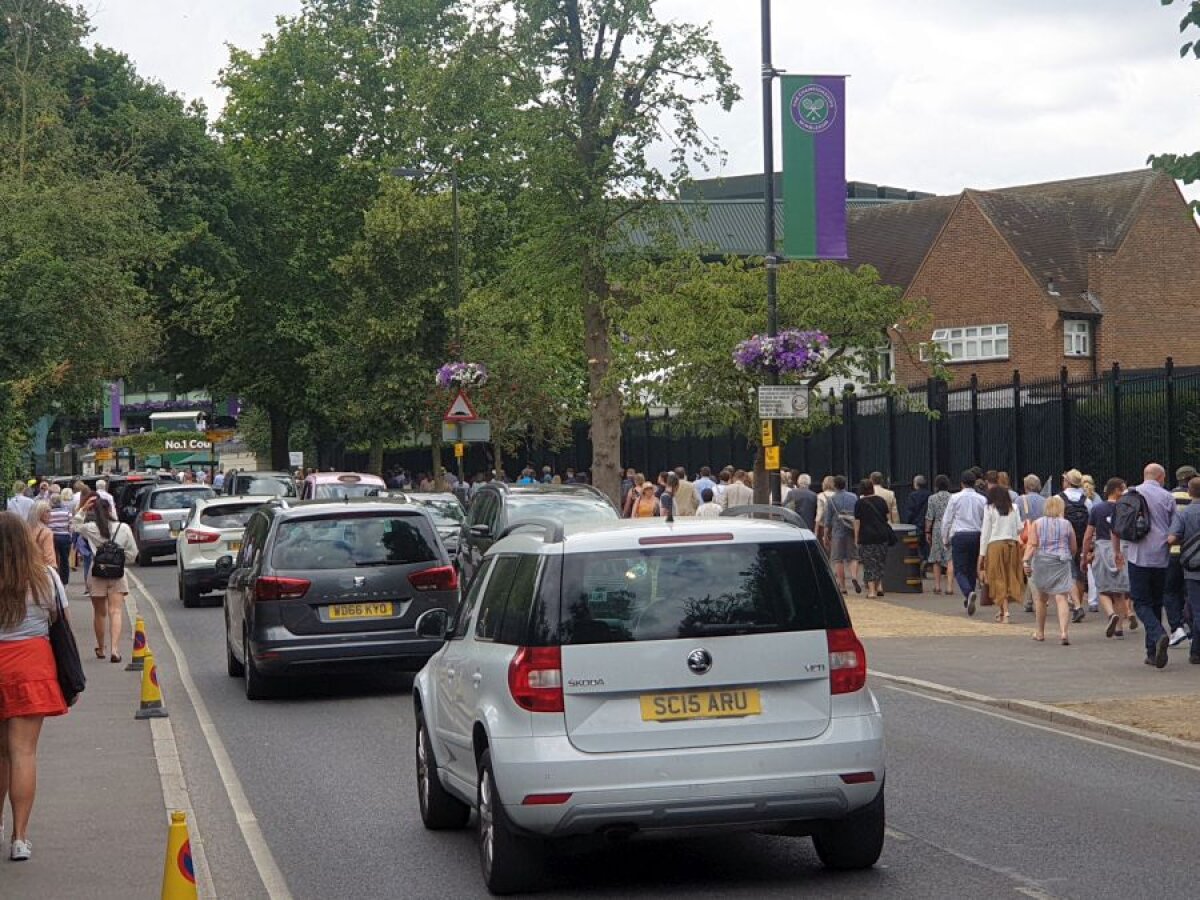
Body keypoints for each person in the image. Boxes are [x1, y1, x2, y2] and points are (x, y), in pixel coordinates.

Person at [0, 511, 70, 861]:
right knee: (23, 752)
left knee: (0, 754)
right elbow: (59, 620)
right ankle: (20, 838)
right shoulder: (45, 577)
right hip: (32, 662)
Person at [1113, 463, 1176, 669]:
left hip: (1137, 554)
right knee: (1156, 602)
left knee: (1140, 602)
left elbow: (1117, 526)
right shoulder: (1167, 497)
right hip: (1161, 556)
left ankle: (1157, 635)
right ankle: (1152, 651)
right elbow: (1174, 527)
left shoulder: (1130, 494)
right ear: (1161, 477)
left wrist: (1116, 551)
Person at [74, 493, 138, 664]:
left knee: (99, 613)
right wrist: (120, 559)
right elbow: (133, 554)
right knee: (115, 611)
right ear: (110, 510)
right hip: (117, 575)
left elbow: (74, 525)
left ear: (93, 511)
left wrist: (82, 509)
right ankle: (115, 649)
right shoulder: (123, 528)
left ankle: (101, 648)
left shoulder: (91, 528)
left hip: (97, 575)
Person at [1023, 495, 1078, 645]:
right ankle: (1064, 632)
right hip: (1061, 561)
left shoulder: (1037, 523)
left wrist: (1026, 561)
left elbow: (1033, 544)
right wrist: (1069, 556)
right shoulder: (1067, 524)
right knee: (1061, 598)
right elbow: (1073, 547)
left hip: (1042, 561)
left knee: (1041, 598)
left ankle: (1040, 632)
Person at [1083, 477, 1133, 639]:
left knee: (1103, 588)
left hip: (1102, 548)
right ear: (1117, 490)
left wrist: (1085, 555)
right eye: (1123, 489)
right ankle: (1119, 628)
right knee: (1119, 590)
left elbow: (1088, 534)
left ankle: (1111, 614)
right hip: (1121, 549)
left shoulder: (1097, 509)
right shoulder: (1125, 509)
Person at [941, 471, 987, 615]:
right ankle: (970, 595)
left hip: (960, 535)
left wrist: (945, 538)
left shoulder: (955, 498)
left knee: (960, 569)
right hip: (976, 534)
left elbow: (947, 520)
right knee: (972, 568)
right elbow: (985, 519)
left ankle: (968, 592)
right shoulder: (982, 499)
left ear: (961, 483)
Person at [978, 485, 1023, 624]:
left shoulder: (989, 509)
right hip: (1012, 545)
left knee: (998, 578)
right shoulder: (1014, 508)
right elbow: (1019, 528)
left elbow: (985, 533)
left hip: (995, 546)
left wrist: (982, 554)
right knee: (1010, 577)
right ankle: (1003, 610)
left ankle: (1005, 612)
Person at [1167, 476, 1200, 664]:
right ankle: (1196, 651)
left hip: (1192, 568)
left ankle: (1196, 651)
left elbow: (1171, 538)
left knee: (1196, 608)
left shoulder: (1184, 514)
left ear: (1189, 491)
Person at [1058, 468, 1093, 622]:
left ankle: (1076, 605)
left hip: (1065, 540)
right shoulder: (1086, 500)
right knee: (1080, 573)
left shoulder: (1058, 499)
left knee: (1068, 573)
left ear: (1067, 482)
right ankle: (1077, 604)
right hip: (1082, 539)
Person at [854, 480, 892, 598]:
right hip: (882, 535)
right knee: (880, 561)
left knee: (869, 563)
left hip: (867, 536)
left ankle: (871, 591)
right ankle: (879, 585)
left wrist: (856, 537)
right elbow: (887, 518)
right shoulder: (881, 501)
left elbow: (857, 522)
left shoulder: (859, 503)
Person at [823, 476, 860, 593]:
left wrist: (825, 536)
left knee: (838, 559)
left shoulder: (831, 500)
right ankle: (854, 576)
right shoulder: (854, 497)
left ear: (834, 485)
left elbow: (827, 521)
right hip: (851, 530)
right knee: (853, 557)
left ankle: (843, 586)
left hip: (838, 532)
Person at [924, 475, 953, 594]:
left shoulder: (932, 498)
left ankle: (937, 586)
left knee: (936, 558)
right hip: (950, 527)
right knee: (950, 558)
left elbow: (929, 516)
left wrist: (927, 531)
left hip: (937, 527)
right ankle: (950, 586)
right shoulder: (953, 497)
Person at [904, 475, 932, 564]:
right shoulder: (930, 495)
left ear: (916, 484)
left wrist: (907, 522)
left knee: (916, 547)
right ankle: (927, 560)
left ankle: (920, 562)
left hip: (915, 524)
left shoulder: (912, 496)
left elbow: (910, 511)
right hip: (928, 524)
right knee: (927, 545)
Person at [26, 502, 57, 570]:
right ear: (39, 513)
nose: (50, 514)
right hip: (41, 570)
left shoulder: (25, 530)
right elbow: (49, 557)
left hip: (27, 568)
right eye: (47, 511)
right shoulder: (46, 532)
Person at [815, 476, 836, 546]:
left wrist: (816, 530)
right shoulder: (837, 495)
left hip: (823, 525)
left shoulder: (821, 496)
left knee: (824, 547)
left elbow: (819, 514)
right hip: (835, 526)